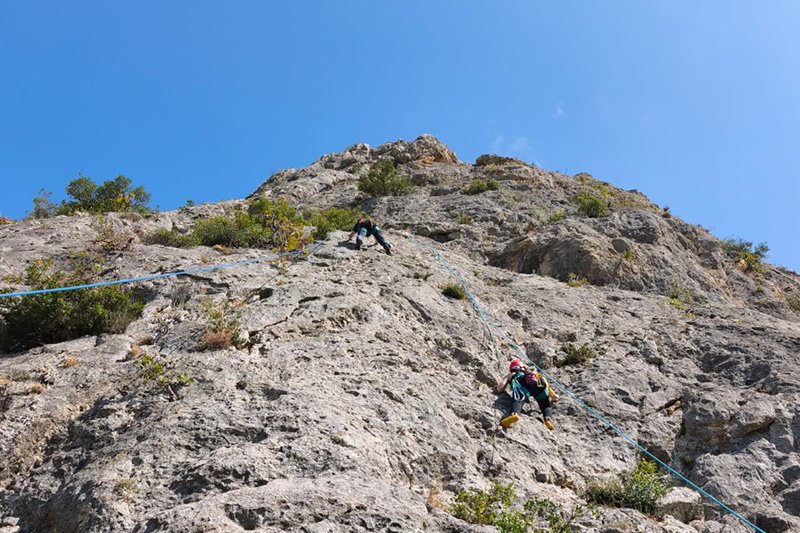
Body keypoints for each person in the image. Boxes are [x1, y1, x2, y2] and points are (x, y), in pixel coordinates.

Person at [495, 359, 557, 430]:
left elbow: (501, 387)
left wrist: (497, 389)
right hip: (540, 387)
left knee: (519, 400)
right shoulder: (534, 374)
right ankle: (548, 420)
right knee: (546, 405)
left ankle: (514, 414)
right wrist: (553, 396)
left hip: (523, 386)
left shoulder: (513, 374)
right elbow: (548, 387)